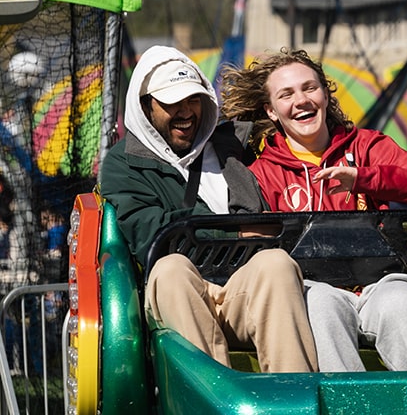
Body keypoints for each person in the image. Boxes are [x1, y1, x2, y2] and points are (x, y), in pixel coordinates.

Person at [218, 48, 407, 373]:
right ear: (272, 111)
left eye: (309, 88)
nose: (301, 100)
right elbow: (258, 252)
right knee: (319, 308)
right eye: (286, 94)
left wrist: (366, 179)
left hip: (381, 282)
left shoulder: (368, 146)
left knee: (403, 306)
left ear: (326, 95)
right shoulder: (261, 173)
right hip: (314, 287)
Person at [99, 45, 318, 373]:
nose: (186, 111)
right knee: (171, 268)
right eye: (172, 102)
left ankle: (294, 399)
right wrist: (234, 230)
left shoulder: (234, 145)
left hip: (241, 289)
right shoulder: (122, 163)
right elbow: (149, 234)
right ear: (146, 107)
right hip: (179, 294)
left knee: (276, 263)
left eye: (192, 99)